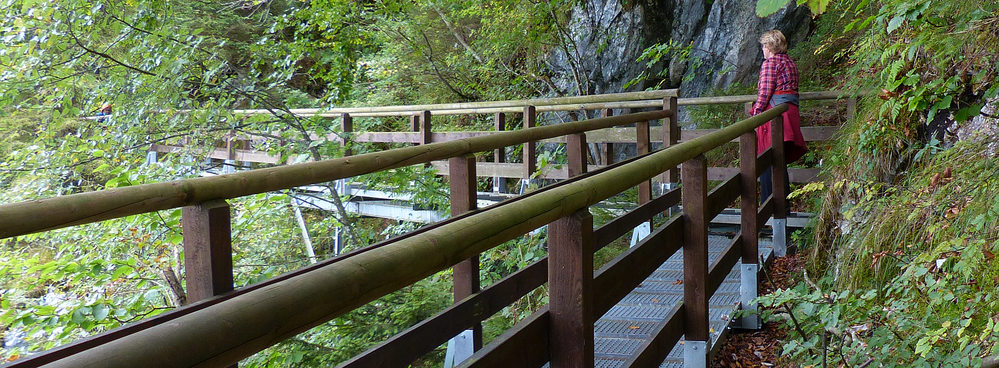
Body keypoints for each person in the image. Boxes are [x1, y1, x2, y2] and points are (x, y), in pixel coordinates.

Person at [751, 30, 807, 206]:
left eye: (763, 46)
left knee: (768, 161)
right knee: (779, 162)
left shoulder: (770, 63)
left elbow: (765, 92)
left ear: (769, 46)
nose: (762, 49)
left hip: (774, 116)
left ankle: (770, 208)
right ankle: (784, 207)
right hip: (789, 113)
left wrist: (755, 114)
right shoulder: (790, 62)